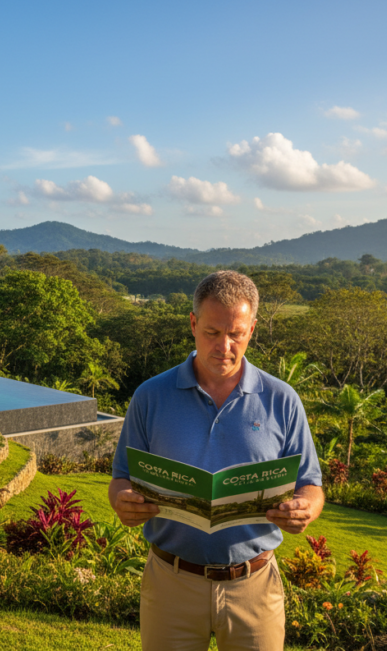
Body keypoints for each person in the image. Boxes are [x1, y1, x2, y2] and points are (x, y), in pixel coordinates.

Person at [110, 270, 324, 651]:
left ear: (252, 329)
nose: (224, 346)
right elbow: (122, 477)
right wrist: (122, 500)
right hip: (171, 580)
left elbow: (310, 482)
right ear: (193, 324)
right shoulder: (151, 396)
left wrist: (305, 507)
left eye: (236, 334)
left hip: (254, 584)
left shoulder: (281, 399)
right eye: (212, 333)